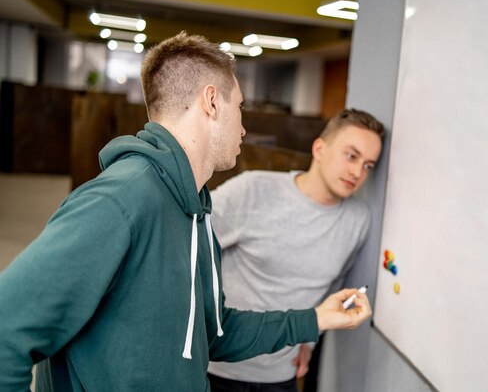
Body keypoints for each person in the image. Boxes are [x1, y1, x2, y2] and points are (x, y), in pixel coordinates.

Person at [0, 31, 371, 392]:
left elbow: (215, 332)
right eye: (239, 107)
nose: (243, 127)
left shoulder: (195, 208)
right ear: (211, 102)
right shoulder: (122, 199)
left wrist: (317, 318)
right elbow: (7, 330)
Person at [207, 108, 384, 392]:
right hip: (217, 367)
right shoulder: (253, 189)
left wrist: (310, 340)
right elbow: (188, 248)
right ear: (319, 148)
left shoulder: (358, 219)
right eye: (351, 156)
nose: (357, 172)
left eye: (368, 166)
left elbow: (332, 283)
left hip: (281, 375)